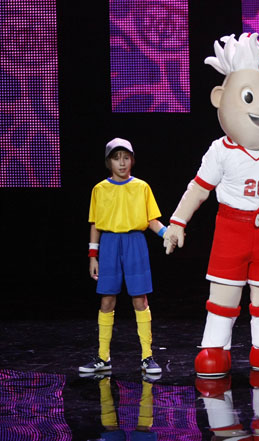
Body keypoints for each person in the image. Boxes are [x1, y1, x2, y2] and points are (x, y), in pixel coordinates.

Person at [163, 33, 259, 377]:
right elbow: (198, 189)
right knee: (225, 293)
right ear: (220, 98)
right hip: (231, 228)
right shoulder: (221, 150)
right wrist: (177, 222)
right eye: (249, 97)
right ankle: (214, 348)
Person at [79, 137, 165, 375]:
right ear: (109, 162)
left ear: (132, 160)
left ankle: (147, 357)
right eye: (116, 158)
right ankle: (102, 357)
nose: (122, 163)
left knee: (140, 299)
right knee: (107, 300)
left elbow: (151, 221)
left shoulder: (142, 187)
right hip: (109, 245)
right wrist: (92, 256)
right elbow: (95, 224)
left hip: (134, 243)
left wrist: (167, 234)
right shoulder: (100, 189)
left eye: (126, 157)